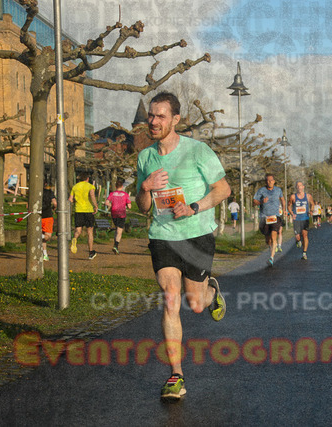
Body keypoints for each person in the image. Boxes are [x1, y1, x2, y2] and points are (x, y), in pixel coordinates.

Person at [136, 92, 230, 401]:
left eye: (160, 116)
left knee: (196, 304)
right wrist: (145, 187)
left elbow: (223, 190)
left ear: (175, 119)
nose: (153, 121)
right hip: (162, 235)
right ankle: (176, 375)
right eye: (151, 115)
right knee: (170, 299)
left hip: (196, 235)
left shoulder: (198, 151)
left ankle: (211, 291)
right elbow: (143, 205)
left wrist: (194, 207)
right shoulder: (145, 157)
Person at [253, 173, 285, 267]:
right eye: (267, 180)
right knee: (268, 240)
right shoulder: (261, 190)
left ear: (274, 181)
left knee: (274, 236)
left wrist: (284, 209)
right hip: (264, 217)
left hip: (275, 216)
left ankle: (271, 257)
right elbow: (254, 202)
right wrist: (261, 201)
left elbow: (282, 200)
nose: (269, 182)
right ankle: (271, 248)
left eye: (271, 180)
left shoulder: (278, 190)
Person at [69, 172, 98, 259]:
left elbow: (70, 199)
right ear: (87, 179)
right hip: (88, 210)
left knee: (78, 230)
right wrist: (95, 206)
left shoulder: (75, 187)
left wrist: (75, 201)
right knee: (90, 232)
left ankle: (75, 238)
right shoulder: (90, 186)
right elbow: (92, 195)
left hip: (78, 210)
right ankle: (91, 252)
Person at [288, 180, 314, 260]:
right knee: (298, 237)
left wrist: (311, 211)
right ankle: (298, 241)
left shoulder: (308, 196)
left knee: (304, 235)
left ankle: (304, 253)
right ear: (296, 188)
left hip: (305, 218)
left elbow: (312, 204)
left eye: (300, 186)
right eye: (298, 186)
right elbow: (289, 206)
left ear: (303, 187)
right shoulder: (293, 197)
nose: (299, 187)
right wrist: (292, 213)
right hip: (296, 219)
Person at [105, 179, 131, 254]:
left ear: (116, 186)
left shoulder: (112, 194)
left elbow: (106, 202)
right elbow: (129, 206)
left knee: (117, 229)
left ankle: (115, 245)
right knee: (119, 231)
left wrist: (111, 205)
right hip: (121, 214)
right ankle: (116, 246)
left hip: (114, 213)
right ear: (122, 186)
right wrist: (126, 205)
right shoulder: (125, 194)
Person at [41, 181, 57, 261]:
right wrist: (54, 208)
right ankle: (38, 236)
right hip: (47, 216)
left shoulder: (33, 192)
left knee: (43, 238)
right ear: (45, 184)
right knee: (47, 236)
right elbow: (55, 203)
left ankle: (45, 254)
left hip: (37, 216)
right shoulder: (49, 192)